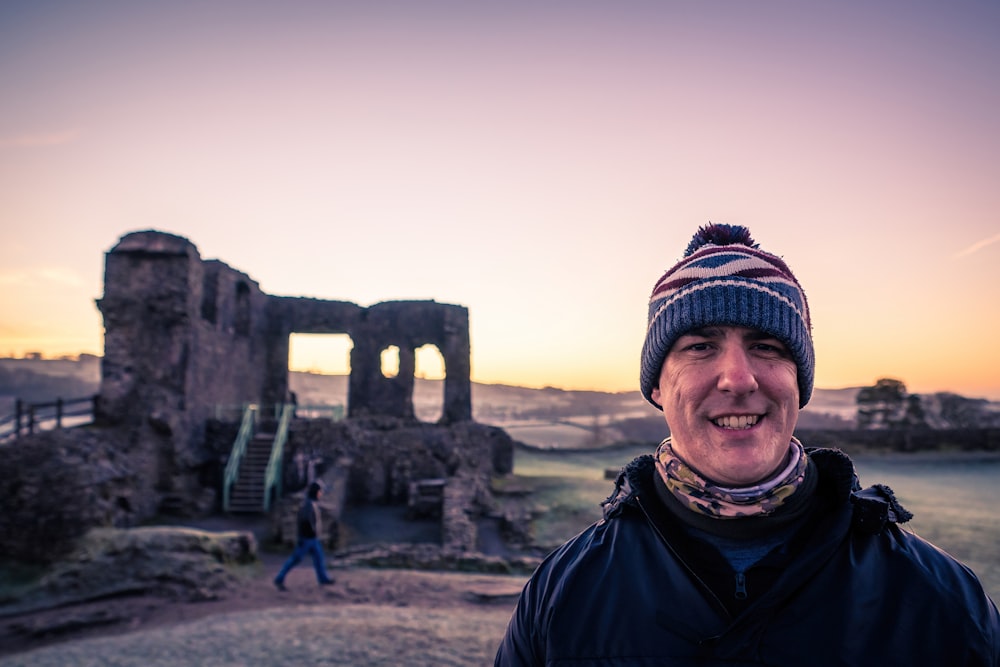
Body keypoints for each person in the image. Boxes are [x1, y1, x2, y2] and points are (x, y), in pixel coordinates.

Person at [495, 223, 1000, 665]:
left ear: (799, 384)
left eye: (766, 346)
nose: (737, 378)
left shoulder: (938, 597)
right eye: (700, 347)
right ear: (655, 387)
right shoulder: (564, 592)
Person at [274, 480, 335, 590]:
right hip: (307, 538)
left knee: (319, 558)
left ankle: (323, 578)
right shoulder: (308, 505)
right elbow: (305, 521)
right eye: (320, 492)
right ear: (316, 492)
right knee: (295, 559)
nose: (321, 494)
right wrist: (310, 533)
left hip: (312, 538)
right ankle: (279, 578)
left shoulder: (311, 503)